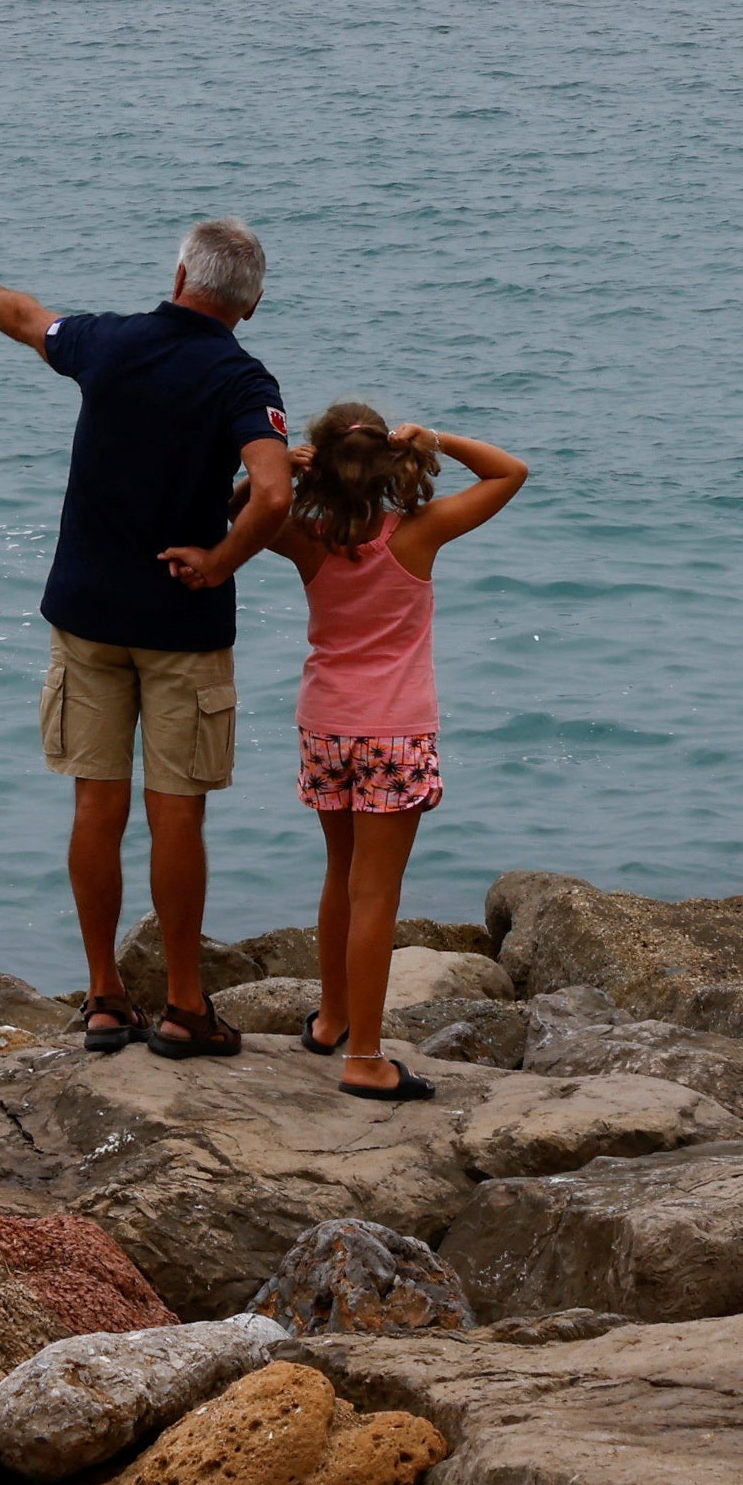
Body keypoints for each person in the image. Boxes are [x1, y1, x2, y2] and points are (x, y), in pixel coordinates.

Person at [0, 221, 290, 1058]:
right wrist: (216, 562)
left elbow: (28, 317)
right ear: (251, 303)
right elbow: (274, 495)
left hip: (87, 616)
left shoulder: (110, 344)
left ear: (179, 274)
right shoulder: (240, 377)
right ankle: (182, 1008)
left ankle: (104, 999)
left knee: (95, 807)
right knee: (177, 817)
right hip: (182, 624)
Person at [162, 402, 526, 1102]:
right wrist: (436, 437)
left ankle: (331, 1018)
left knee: (340, 875)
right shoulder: (419, 533)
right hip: (396, 731)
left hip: (325, 726)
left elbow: (234, 517)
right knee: (376, 893)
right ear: (388, 462)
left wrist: (267, 474)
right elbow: (511, 472)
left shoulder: (307, 535)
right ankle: (364, 1055)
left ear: (320, 464)